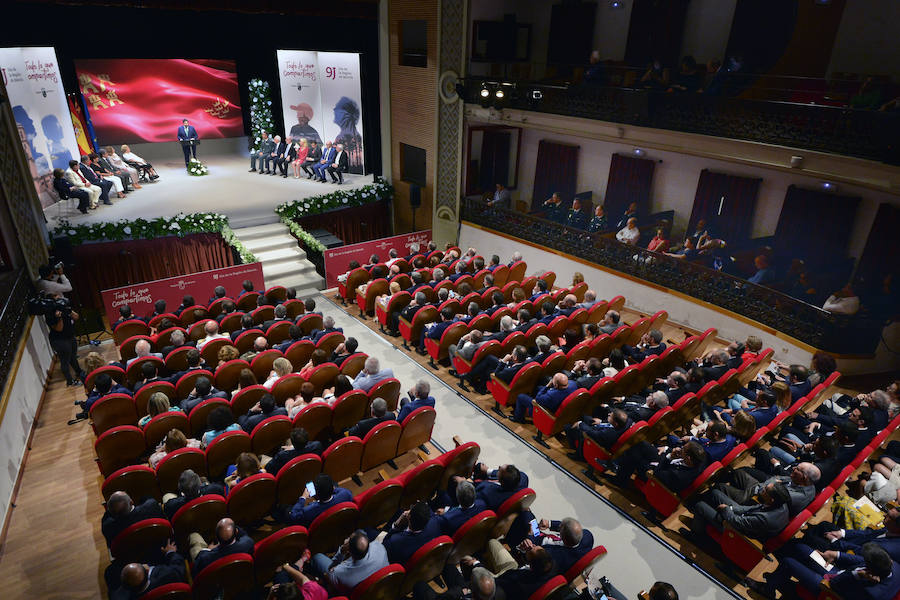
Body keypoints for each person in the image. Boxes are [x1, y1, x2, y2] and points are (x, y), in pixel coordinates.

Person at [309, 530, 388, 596]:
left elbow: (330, 570)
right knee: (360, 531)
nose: (347, 539)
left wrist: (341, 551)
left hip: (347, 590)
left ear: (349, 552)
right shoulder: (380, 547)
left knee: (317, 557)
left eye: (349, 539)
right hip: (378, 586)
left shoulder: (339, 572)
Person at [112, 540, 186, 600]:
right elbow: (179, 566)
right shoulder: (168, 575)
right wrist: (170, 552)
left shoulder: (118, 596)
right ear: (147, 571)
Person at [189, 518, 254, 575]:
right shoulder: (248, 543)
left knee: (194, 536)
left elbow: (195, 570)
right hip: (241, 577)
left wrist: (208, 549)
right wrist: (232, 528)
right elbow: (243, 534)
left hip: (216, 582)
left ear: (217, 537)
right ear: (236, 532)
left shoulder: (205, 558)